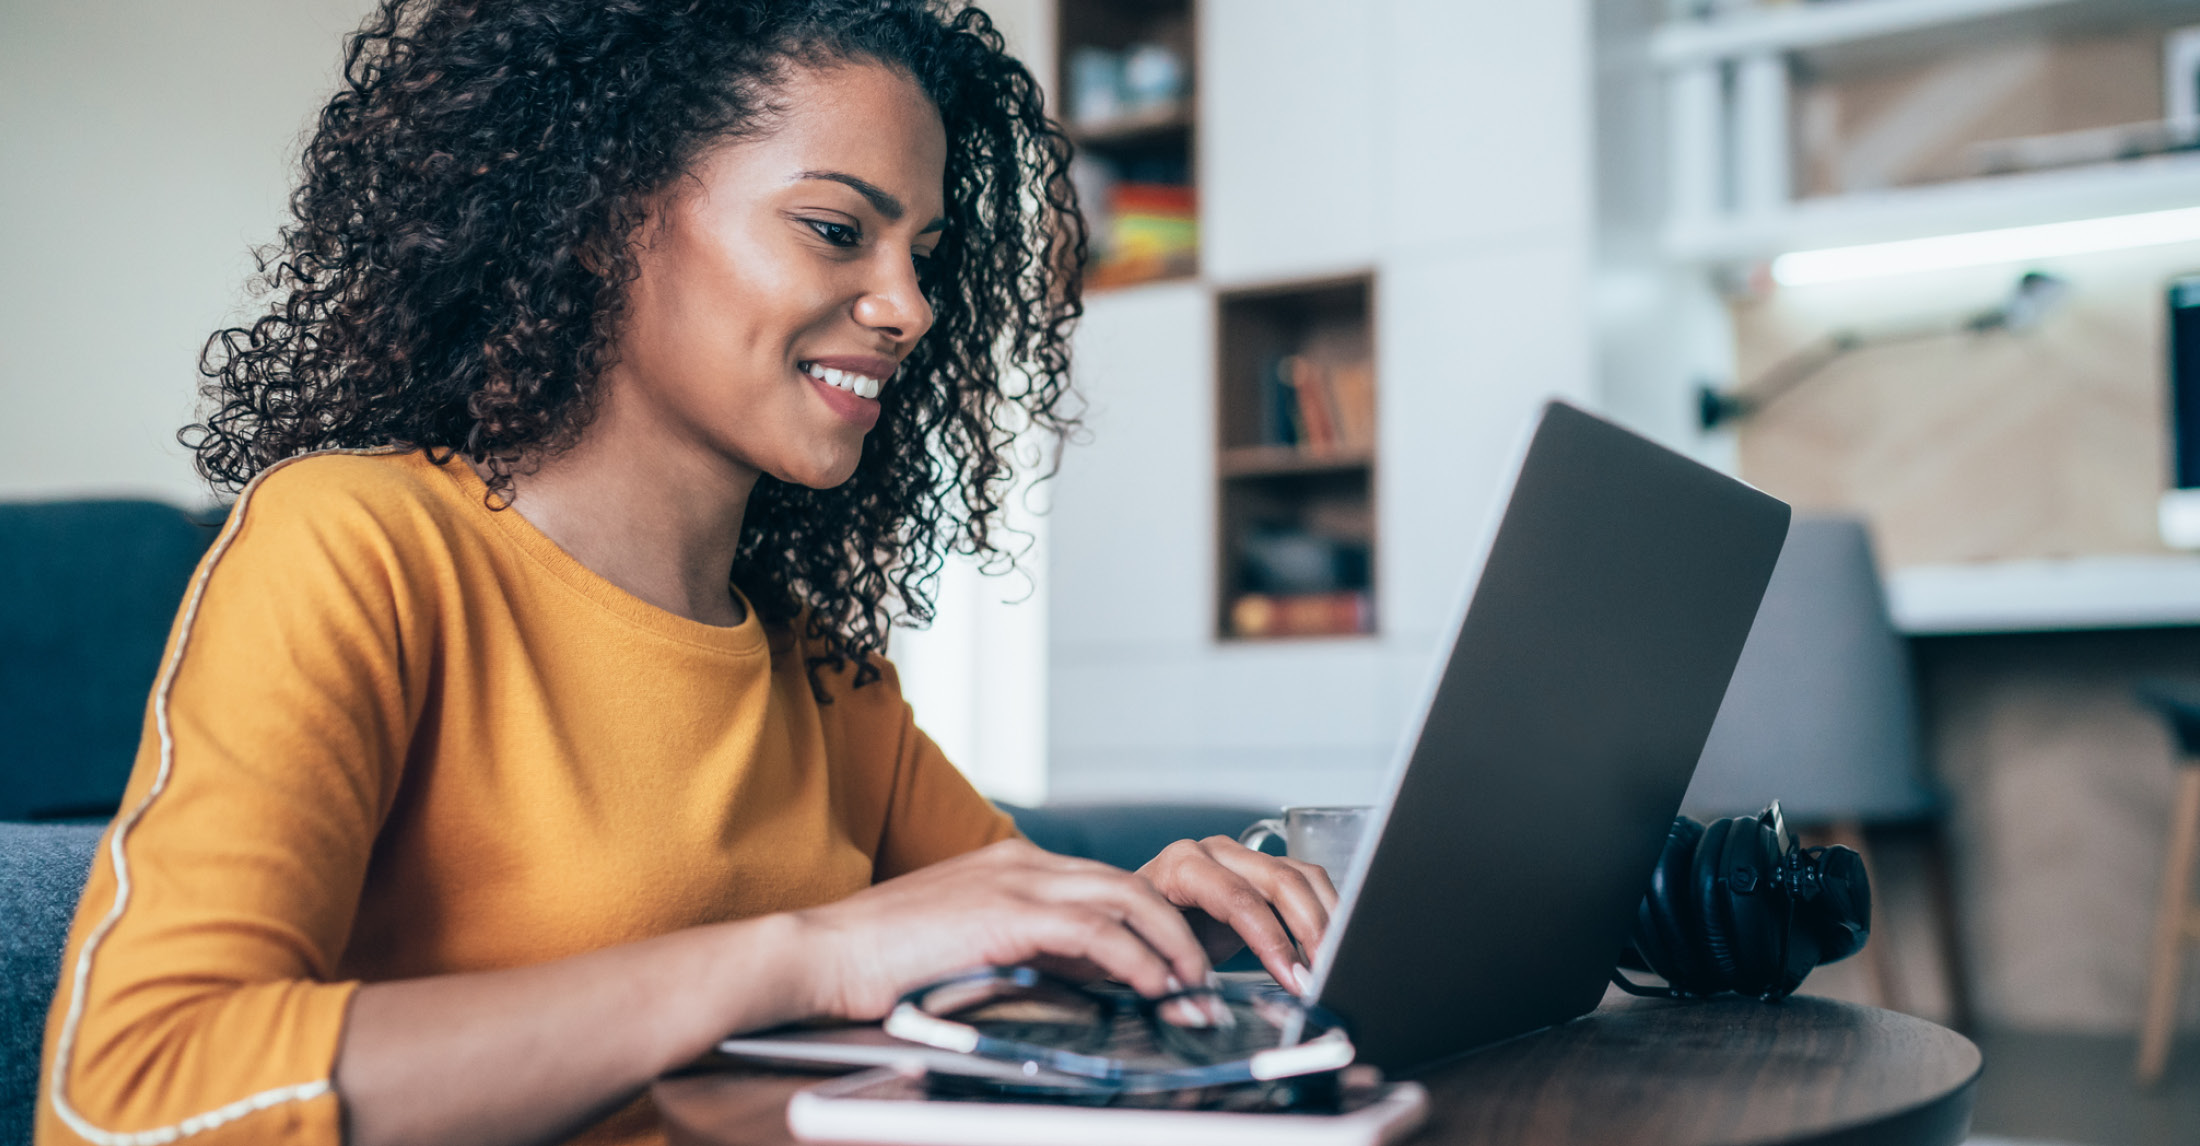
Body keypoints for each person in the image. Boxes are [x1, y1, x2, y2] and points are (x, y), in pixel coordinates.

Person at [36, 3, 1335, 1144]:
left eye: (925, 255)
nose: (911, 307)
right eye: (838, 229)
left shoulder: (824, 675)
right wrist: (804, 954)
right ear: (605, 219)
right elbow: (134, 1097)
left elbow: (1006, 951)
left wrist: (1162, 930)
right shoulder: (359, 547)